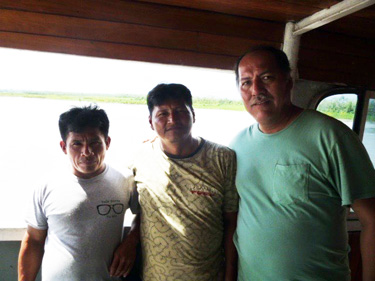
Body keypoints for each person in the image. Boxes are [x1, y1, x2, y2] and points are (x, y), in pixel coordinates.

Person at [230, 45, 375, 280]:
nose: (256, 89)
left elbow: (372, 218)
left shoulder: (330, 136)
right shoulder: (237, 145)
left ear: (288, 82)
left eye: (267, 77)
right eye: (246, 82)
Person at [130, 83, 238, 280]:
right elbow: (138, 210)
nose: (172, 119)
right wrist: (130, 239)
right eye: (162, 114)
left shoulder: (223, 158)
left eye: (180, 111)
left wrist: (230, 276)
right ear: (150, 121)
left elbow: (232, 223)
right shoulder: (140, 158)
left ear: (193, 115)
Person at [18, 105, 140, 281]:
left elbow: (145, 214)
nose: (87, 152)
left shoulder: (125, 180)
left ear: (107, 143)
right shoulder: (47, 185)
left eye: (94, 143)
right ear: (63, 147)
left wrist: (131, 241)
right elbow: (34, 240)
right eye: (77, 143)